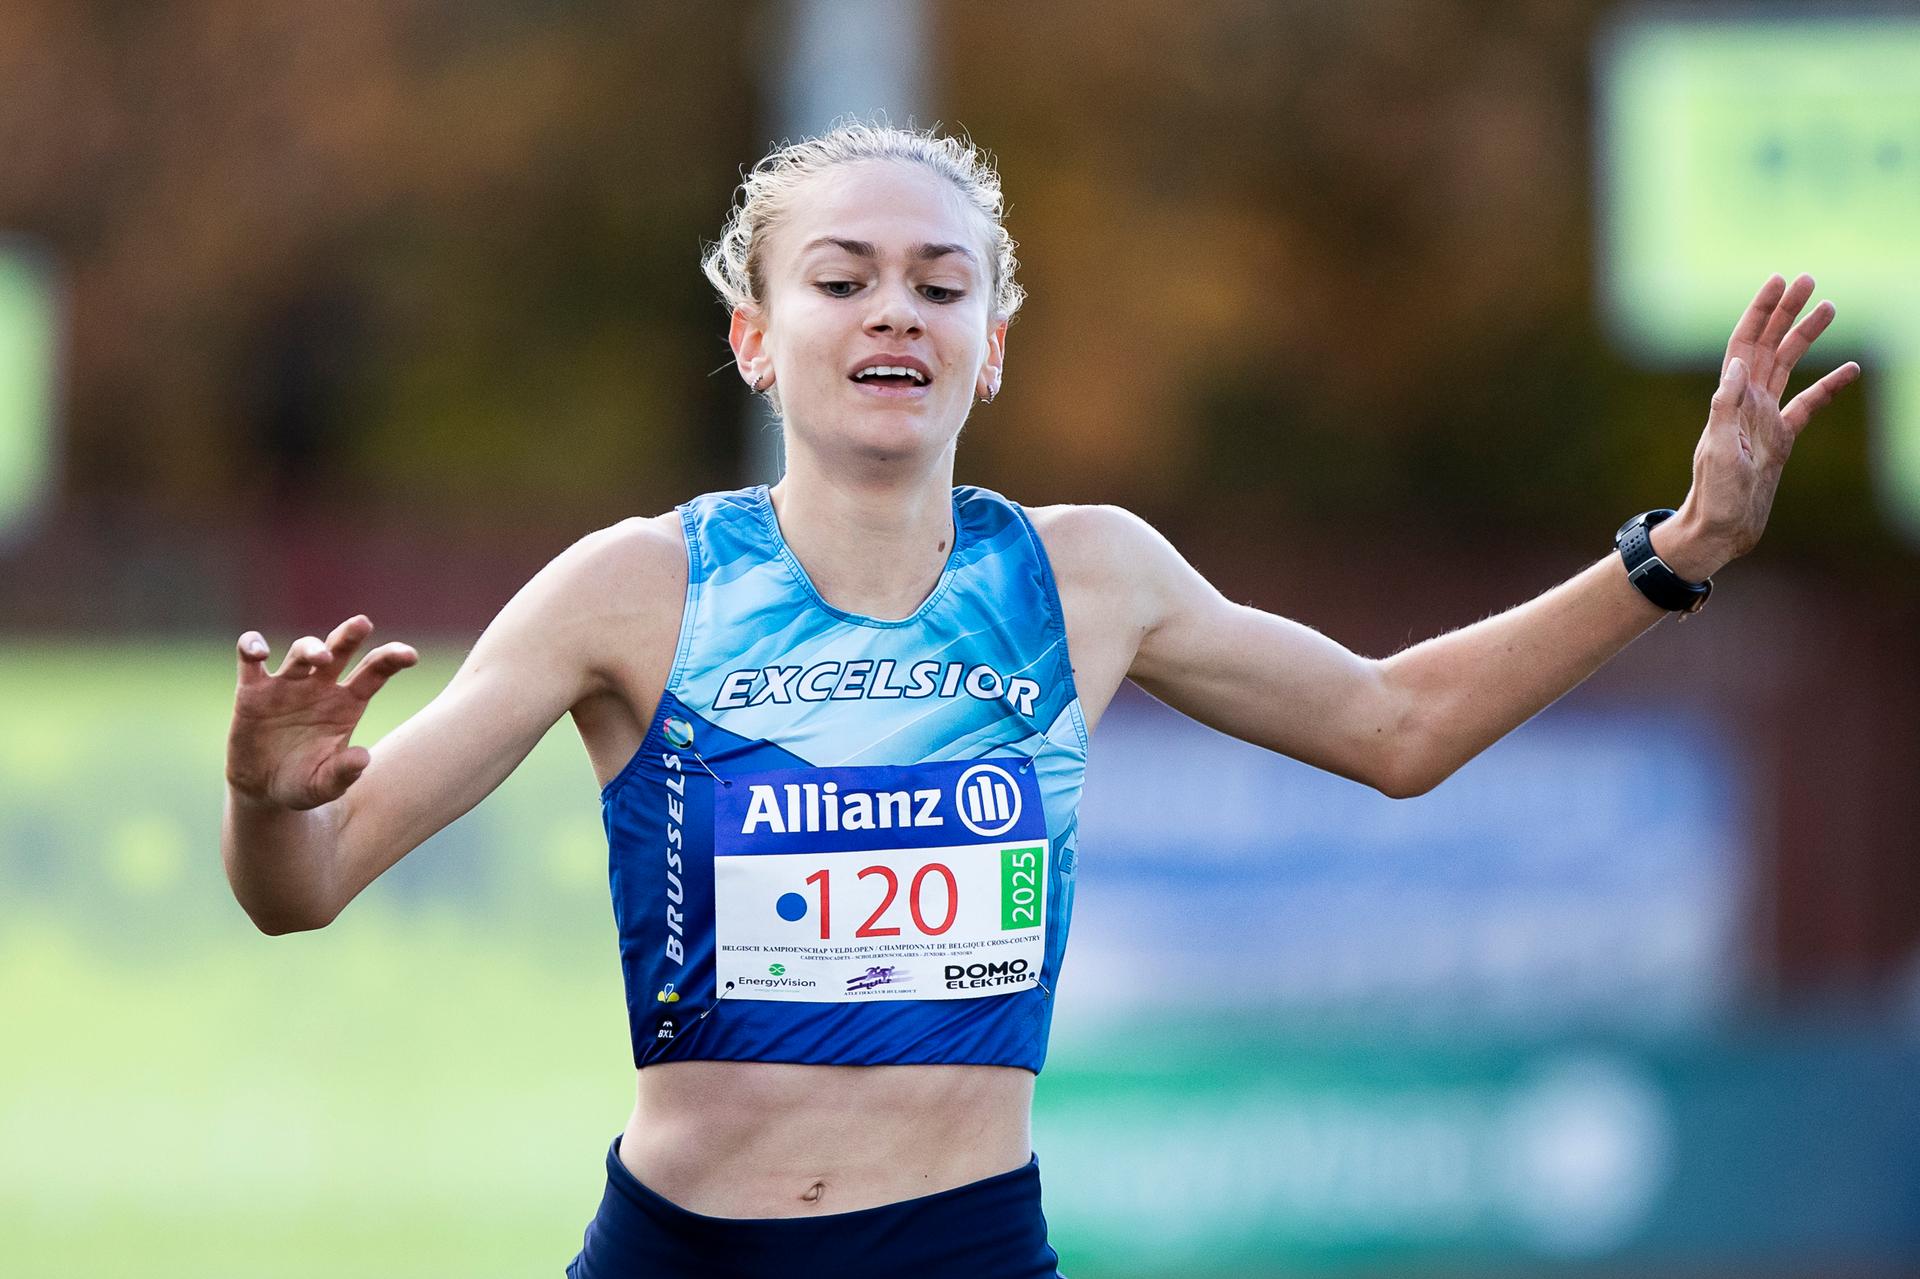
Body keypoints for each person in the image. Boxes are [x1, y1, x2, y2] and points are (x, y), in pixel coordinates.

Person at [221, 122, 1860, 1278]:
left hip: (965, 1246)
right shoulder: (633, 590)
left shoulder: (1088, 579)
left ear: (991, 347)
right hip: (682, 1251)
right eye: (843, 278)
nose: (893, 314)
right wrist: (268, 802)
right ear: (753, 334)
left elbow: (1396, 727)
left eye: (941, 286)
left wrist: (1681, 550)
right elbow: (304, 893)